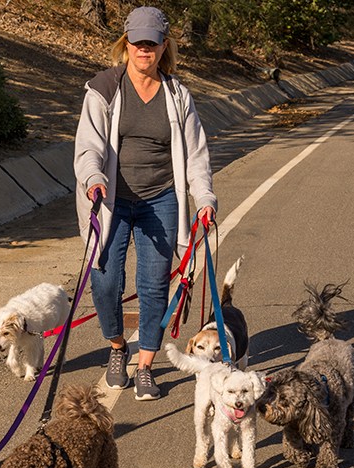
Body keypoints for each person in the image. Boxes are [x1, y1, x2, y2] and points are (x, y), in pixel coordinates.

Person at [74, 6, 217, 401]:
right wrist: (94, 179)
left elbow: (195, 155)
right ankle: (119, 347)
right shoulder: (104, 88)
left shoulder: (177, 95)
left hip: (162, 198)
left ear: (163, 45)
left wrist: (203, 197)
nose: (144, 50)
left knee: (154, 286)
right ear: (126, 44)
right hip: (111, 200)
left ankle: (146, 366)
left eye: (151, 43)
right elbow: (89, 146)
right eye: (137, 42)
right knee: (104, 281)